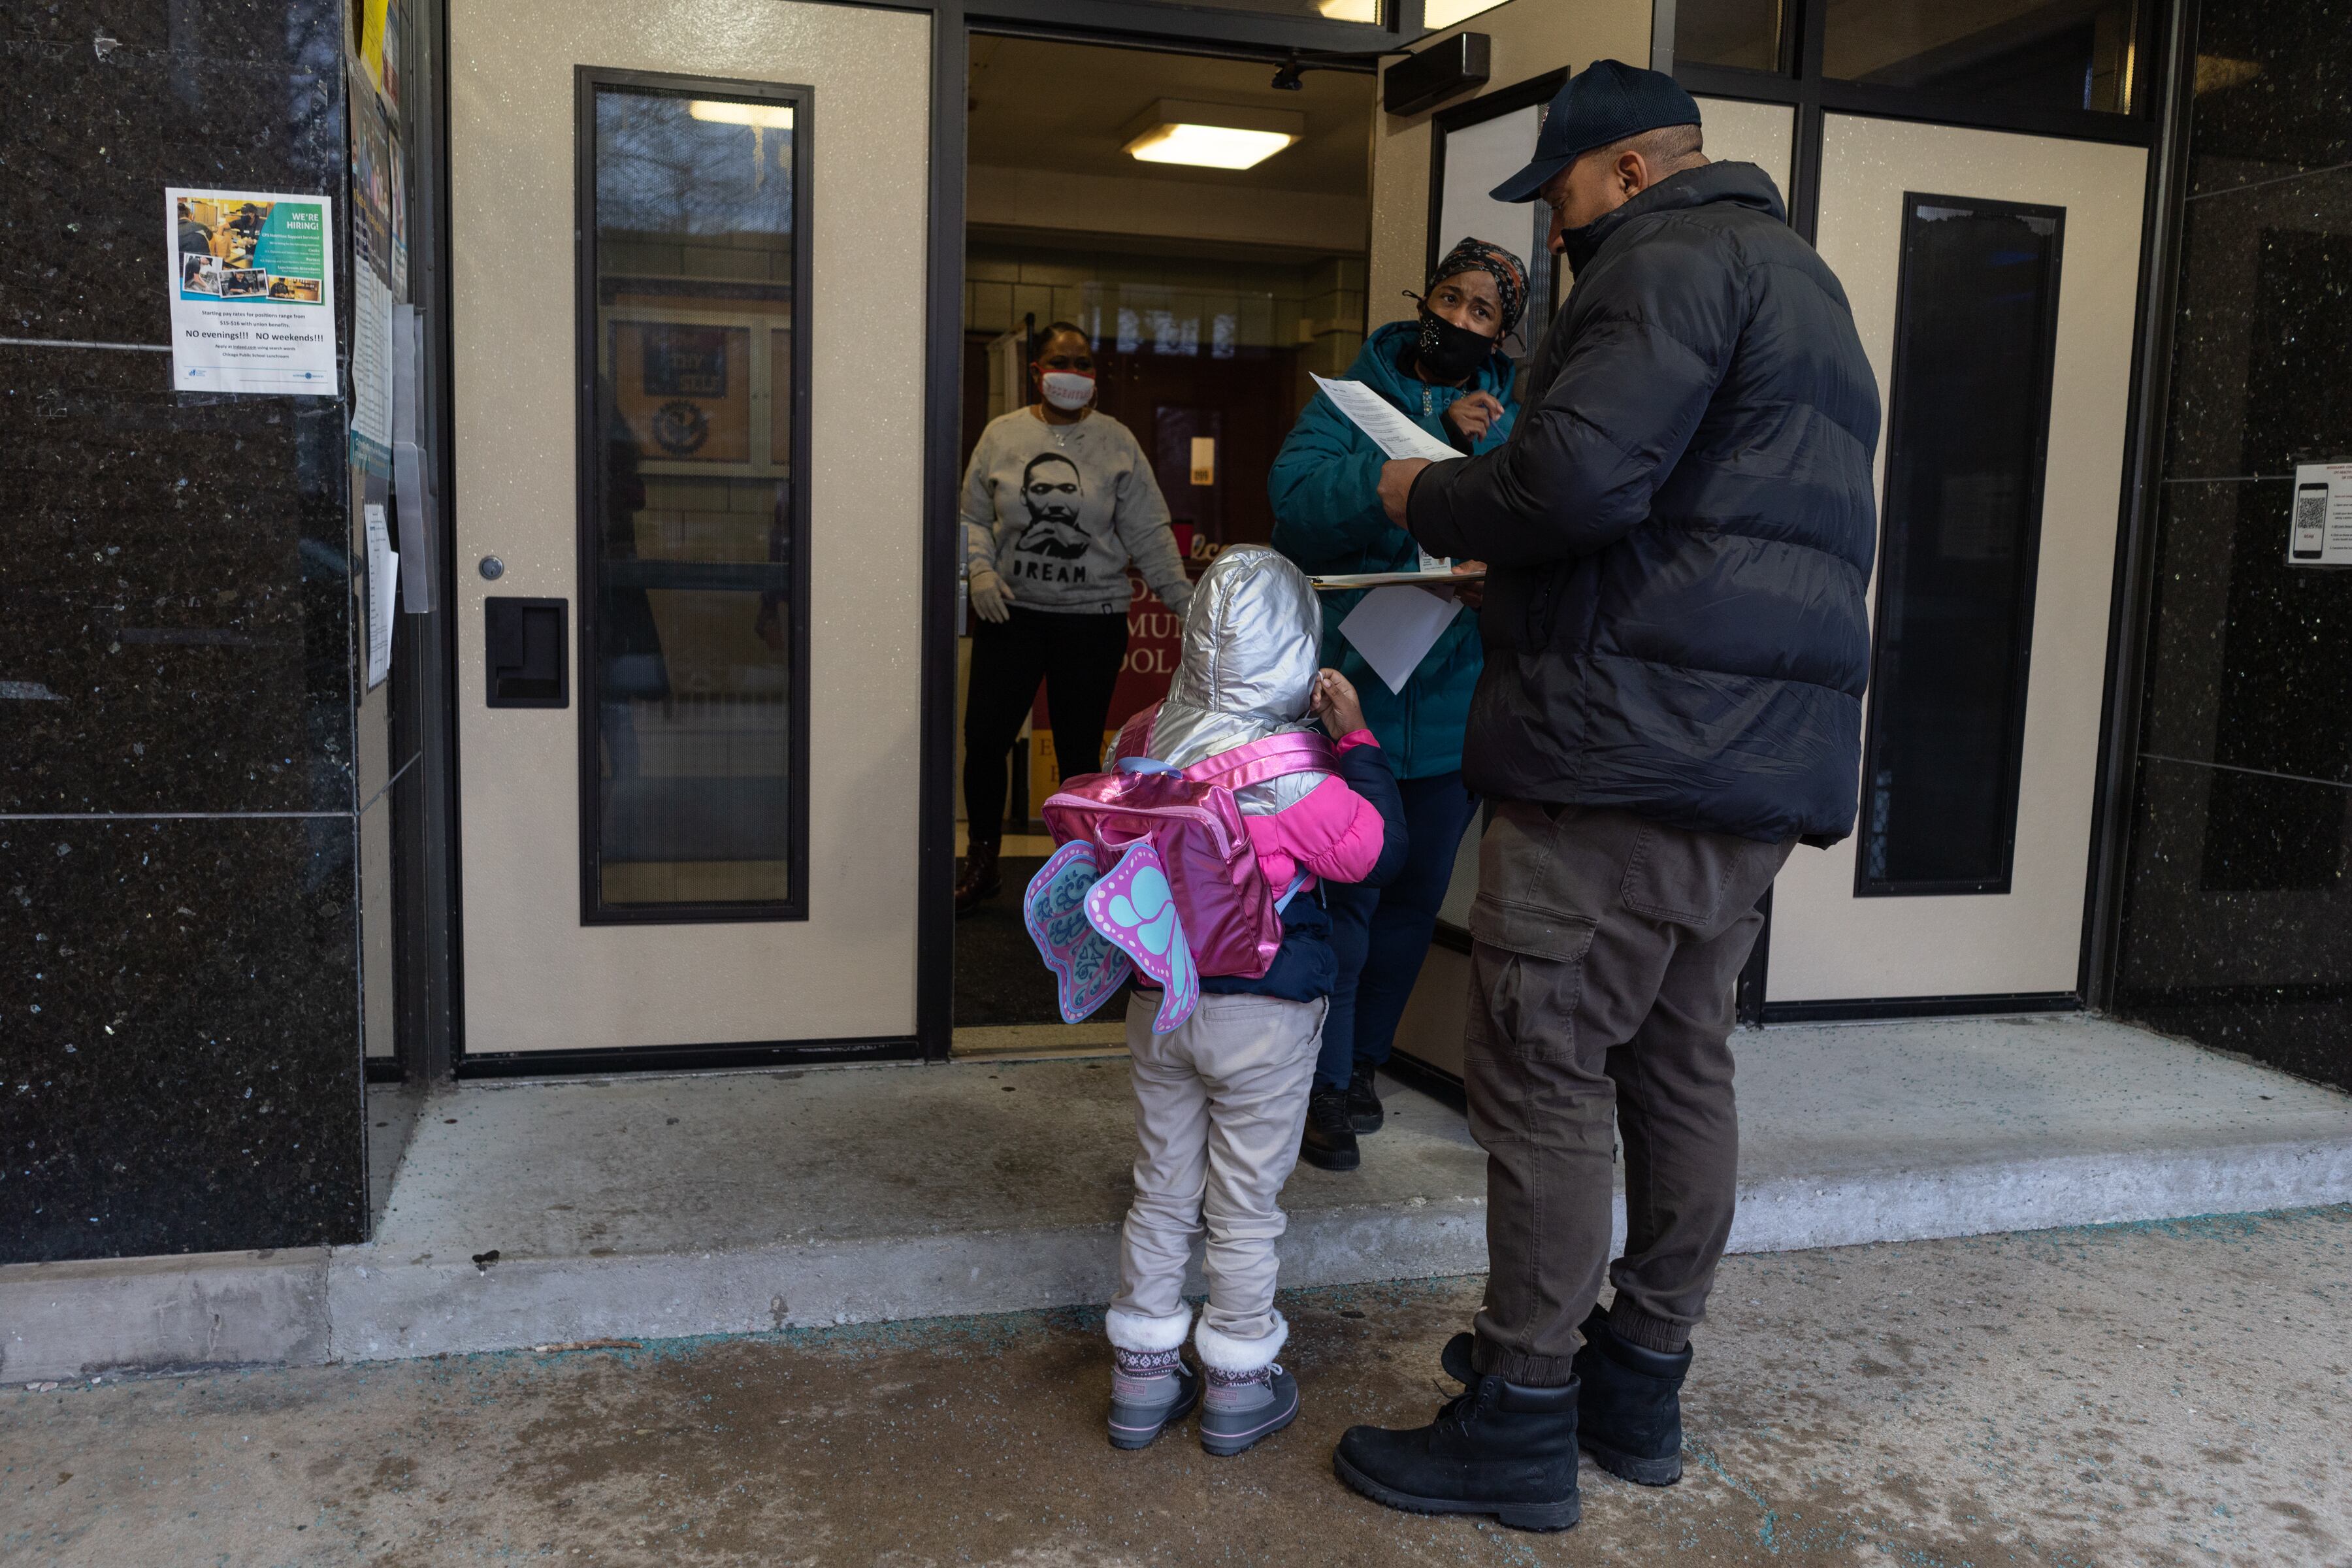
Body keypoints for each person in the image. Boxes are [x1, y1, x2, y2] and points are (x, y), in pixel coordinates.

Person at [1331, 59, 1881, 1531]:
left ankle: (1517, 1415)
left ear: (1633, 170)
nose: (1554, 231)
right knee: (1678, 1058)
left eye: (1561, 196)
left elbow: (1571, 484)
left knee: (1542, 1062)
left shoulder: (1666, 265)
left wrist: (1423, 498)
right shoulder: (1804, 287)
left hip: (1622, 752)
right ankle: (1637, 1379)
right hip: (1746, 765)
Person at [1098, 546, 1406, 1456]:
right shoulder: (1298, 774)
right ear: (1298, 654)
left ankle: (1141, 1381)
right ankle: (1237, 1381)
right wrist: (1356, 741)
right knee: (1242, 1204)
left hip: (1162, 1003)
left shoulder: (1142, 743)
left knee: (1161, 1189)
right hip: (1266, 1015)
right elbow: (1377, 854)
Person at [1269, 237, 1527, 1173]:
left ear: (1503, 337)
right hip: (1352, 698)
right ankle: (1322, 1083)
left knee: (1413, 900)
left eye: (1482, 313)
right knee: (1342, 897)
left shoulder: (1512, 424)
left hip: (1456, 700)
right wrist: (1407, 471)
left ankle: (1366, 1061)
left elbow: (1543, 532)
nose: (1457, 321)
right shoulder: (1350, 404)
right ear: (1422, 302)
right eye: (1448, 299)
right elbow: (1292, 504)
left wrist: (1496, 580)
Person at [958, 322, 1194, 915]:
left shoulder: (1116, 442)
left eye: (1084, 362)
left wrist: (1189, 606)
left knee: (1080, 752)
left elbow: (1149, 534)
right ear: (1037, 371)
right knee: (985, 742)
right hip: (1011, 615)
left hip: (1092, 620)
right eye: (1060, 362)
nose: (1073, 372)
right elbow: (969, 518)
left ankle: (1082, 872)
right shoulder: (1002, 435)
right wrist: (978, 573)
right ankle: (982, 860)